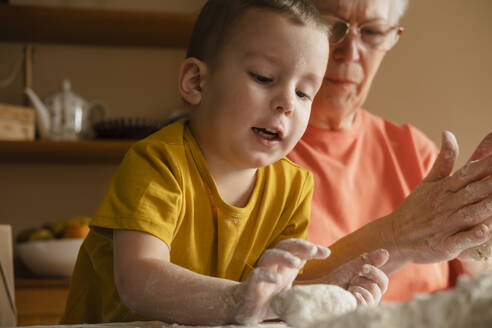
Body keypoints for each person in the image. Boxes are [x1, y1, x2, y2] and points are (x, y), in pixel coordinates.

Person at [60, 0, 389, 325]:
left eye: (304, 92)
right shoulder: (158, 162)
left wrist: (330, 291)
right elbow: (137, 280)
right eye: (263, 77)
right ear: (196, 82)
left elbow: (267, 299)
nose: (288, 103)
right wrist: (238, 300)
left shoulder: (294, 188)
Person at [288, 0, 492, 302]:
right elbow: (261, 298)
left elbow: (473, 288)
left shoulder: (415, 151)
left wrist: (477, 240)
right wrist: (397, 236)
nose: (351, 52)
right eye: (332, 26)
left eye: (371, 32)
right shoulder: (253, 148)